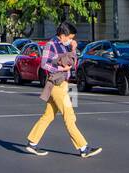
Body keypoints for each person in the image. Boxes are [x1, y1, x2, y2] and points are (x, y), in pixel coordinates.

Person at [25, 22, 101, 159]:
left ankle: (32, 142)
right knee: (70, 116)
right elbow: (44, 64)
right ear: (62, 35)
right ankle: (83, 148)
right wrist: (61, 69)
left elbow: (73, 63)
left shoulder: (65, 46)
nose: (71, 40)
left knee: (48, 115)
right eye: (70, 37)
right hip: (57, 85)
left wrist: (73, 50)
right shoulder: (51, 45)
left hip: (66, 84)